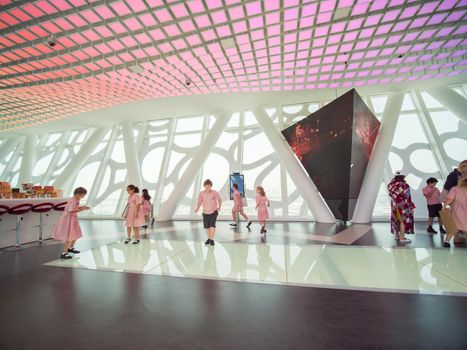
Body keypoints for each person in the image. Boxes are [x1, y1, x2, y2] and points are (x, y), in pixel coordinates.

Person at [53, 187, 90, 259]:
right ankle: (64, 253)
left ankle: (70, 248)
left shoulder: (76, 200)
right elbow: (71, 211)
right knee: (69, 236)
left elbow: (74, 209)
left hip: (73, 218)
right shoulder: (72, 200)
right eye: (82, 196)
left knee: (76, 233)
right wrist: (82, 209)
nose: (82, 197)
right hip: (68, 219)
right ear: (78, 194)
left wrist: (82, 207)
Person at [387, 171, 415, 243]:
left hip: (394, 205)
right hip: (403, 206)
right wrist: (411, 207)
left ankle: (396, 235)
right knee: (403, 221)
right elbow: (407, 197)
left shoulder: (390, 185)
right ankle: (402, 238)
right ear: (403, 177)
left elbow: (391, 195)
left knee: (396, 220)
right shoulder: (405, 185)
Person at [195, 179, 222, 246]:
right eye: (206, 186)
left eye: (209, 186)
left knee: (212, 226)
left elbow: (219, 199)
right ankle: (209, 238)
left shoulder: (214, 192)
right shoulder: (201, 193)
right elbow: (199, 201)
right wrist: (197, 208)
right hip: (205, 212)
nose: (207, 187)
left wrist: (219, 207)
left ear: (211, 186)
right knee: (207, 227)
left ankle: (212, 240)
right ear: (204, 186)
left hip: (213, 212)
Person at [442, 175, 467, 247]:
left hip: (457, 210)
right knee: (466, 227)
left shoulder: (455, 189)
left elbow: (449, 199)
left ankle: (447, 241)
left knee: (452, 227)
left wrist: (444, 206)